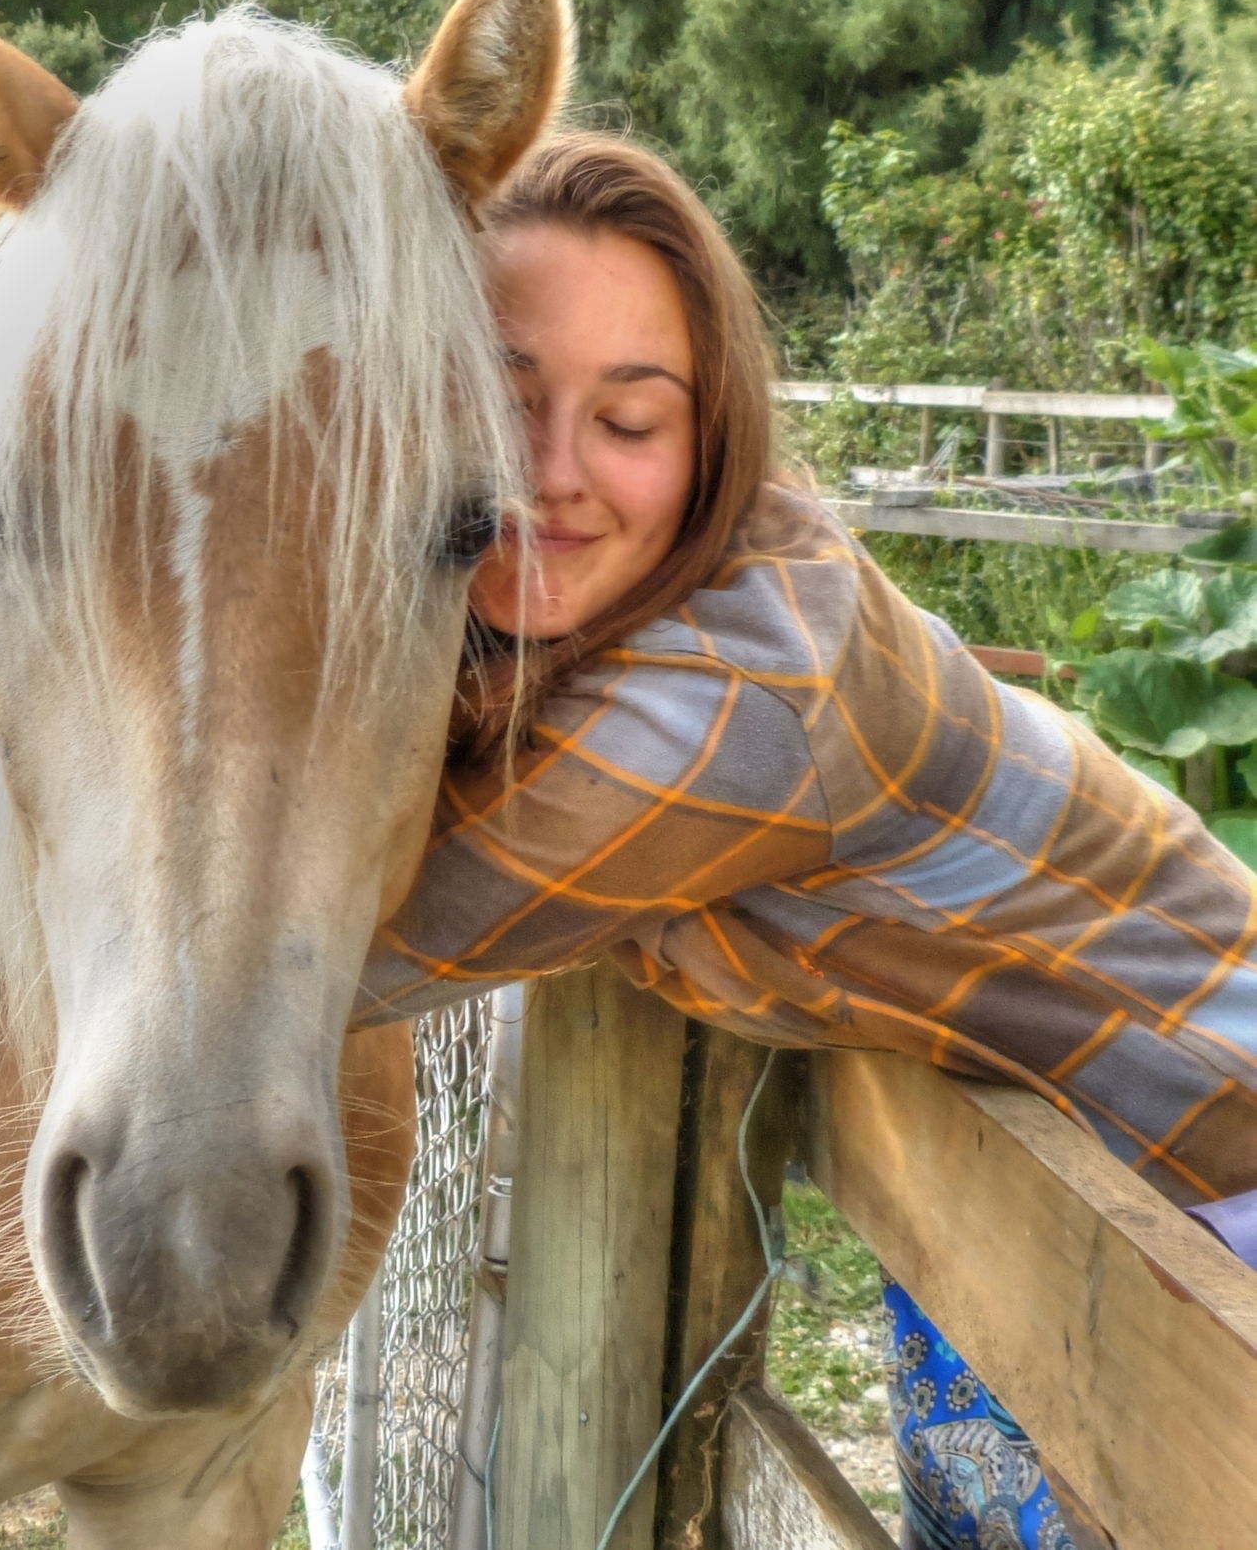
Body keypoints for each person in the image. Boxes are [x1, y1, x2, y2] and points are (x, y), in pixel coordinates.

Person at [354, 131, 1257, 1550]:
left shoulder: (757, 688)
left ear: (714, 439)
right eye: (494, 397)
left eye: (632, 422)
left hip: (1219, 1175)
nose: (551, 471)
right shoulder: (630, 613)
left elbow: (354, 941)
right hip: (1065, 1178)